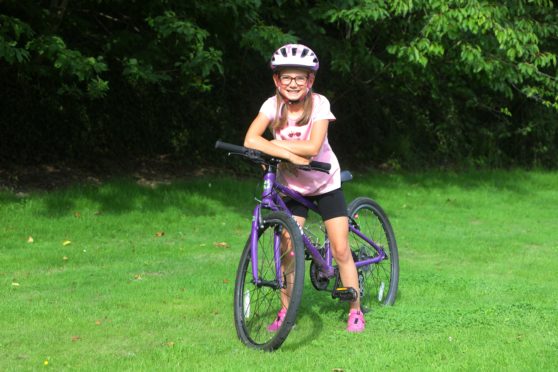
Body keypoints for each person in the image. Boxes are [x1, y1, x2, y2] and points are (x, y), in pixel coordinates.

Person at [243, 44, 364, 333]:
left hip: (324, 183)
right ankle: (286, 312)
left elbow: (311, 147)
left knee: (340, 247)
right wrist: (291, 156)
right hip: (294, 184)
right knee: (287, 247)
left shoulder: (319, 104)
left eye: (300, 78)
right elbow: (250, 139)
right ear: (277, 80)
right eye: (287, 77)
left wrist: (275, 146)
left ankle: (355, 310)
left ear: (310, 81)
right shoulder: (271, 106)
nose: (293, 83)